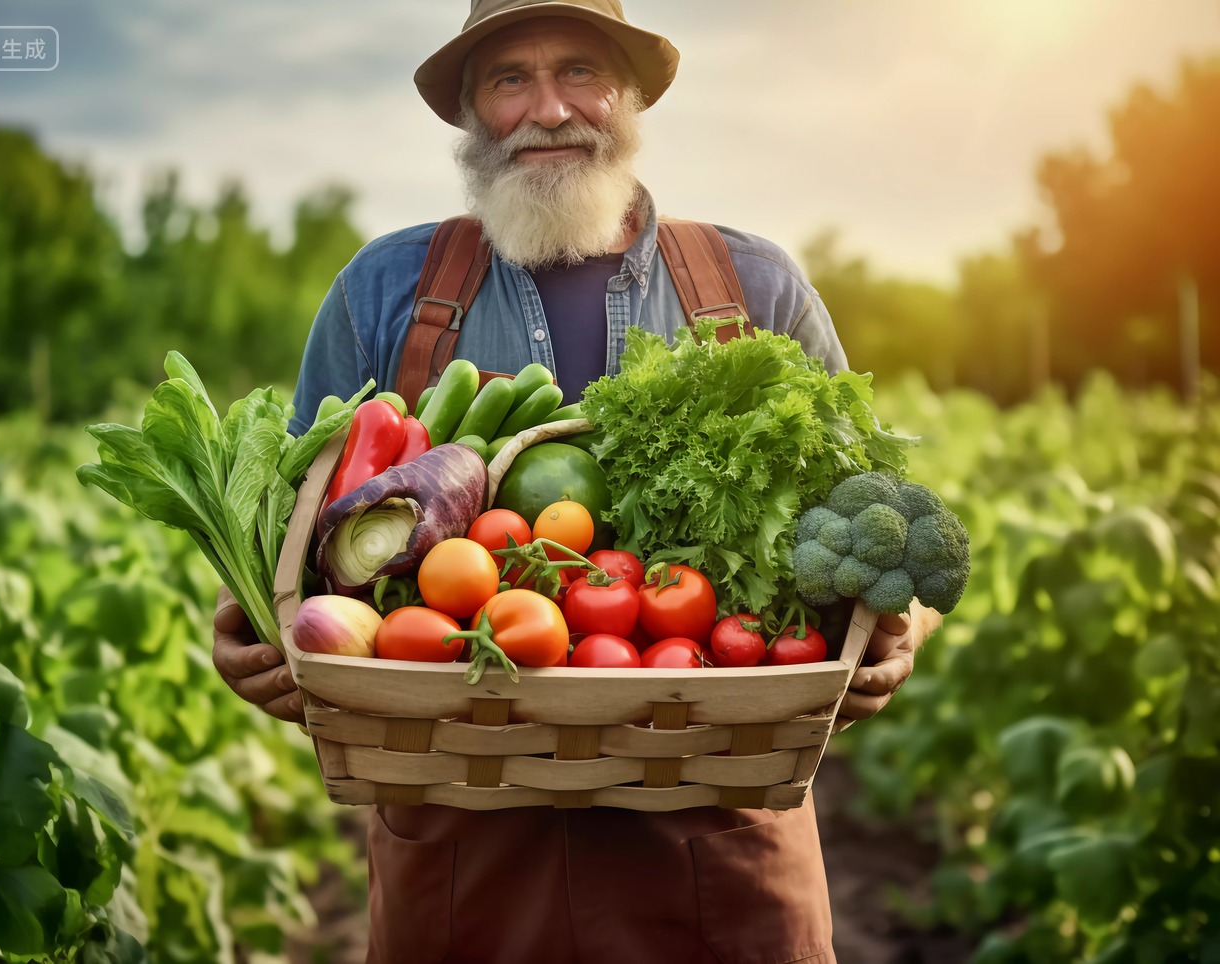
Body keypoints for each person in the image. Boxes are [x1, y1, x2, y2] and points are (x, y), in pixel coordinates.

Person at [212, 2, 942, 961]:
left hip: (717, 845)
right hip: (463, 855)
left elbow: (875, 518)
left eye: (580, 71)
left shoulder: (754, 289)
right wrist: (257, 621)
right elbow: (292, 538)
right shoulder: (383, 293)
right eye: (510, 78)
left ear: (630, 95)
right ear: (473, 112)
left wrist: (899, 626)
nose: (549, 109)